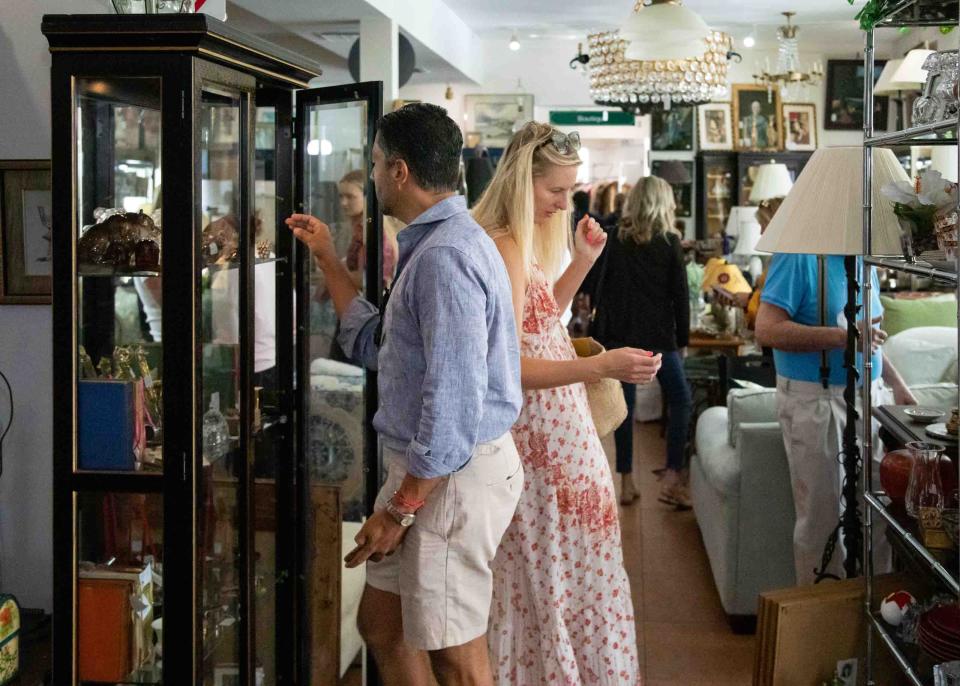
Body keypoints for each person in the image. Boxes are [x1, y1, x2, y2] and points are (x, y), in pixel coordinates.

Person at [287, 103, 524, 686]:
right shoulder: (436, 243)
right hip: (423, 469)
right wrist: (325, 256)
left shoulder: (445, 257)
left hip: (447, 476)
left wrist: (399, 508)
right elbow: (378, 344)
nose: (368, 178)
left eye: (372, 165)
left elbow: (453, 407)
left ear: (398, 171)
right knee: (383, 625)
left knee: (455, 656)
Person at [473, 121, 658, 685]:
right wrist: (601, 365)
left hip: (564, 446)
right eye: (556, 191)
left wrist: (580, 261)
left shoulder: (519, 243)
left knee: (569, 576)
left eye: (570, 191)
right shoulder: (501, 245)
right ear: (520, 180)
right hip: (541, 452)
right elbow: (502, 368)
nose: (564, 202)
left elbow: (535, 325)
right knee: (548, 578)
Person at [755, 255, 916, 584]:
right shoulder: (798, 255)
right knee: (822, 522)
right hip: (818, 399)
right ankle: (824, 624)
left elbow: (871, 335)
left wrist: (897, 384)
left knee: (879, 514)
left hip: (871, 395)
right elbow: (767, 329)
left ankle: (871, 615)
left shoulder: (862, 258)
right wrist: (842, 338)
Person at [591, 176, 693, 509]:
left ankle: (626, 481)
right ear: (663, 204)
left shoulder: (616, 239)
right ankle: (672, 476)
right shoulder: (669, 242)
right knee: (680, 399)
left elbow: (601, 287)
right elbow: (681, 297)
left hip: (621, 337)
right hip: (660, 338)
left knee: (625, 410)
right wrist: (683, 340)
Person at [714, 196, 784, 330]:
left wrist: (749, 299)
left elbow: (774, 310)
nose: (761, 232)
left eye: (764, 225)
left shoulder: (786, 261)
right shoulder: (780, 258)